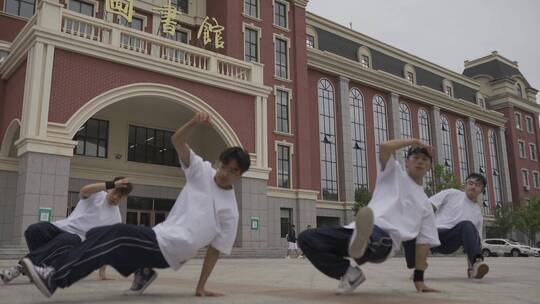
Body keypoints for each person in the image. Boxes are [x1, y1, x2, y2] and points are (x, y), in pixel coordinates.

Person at [21, 112, 251, 299]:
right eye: (224, 167)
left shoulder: (230, 211)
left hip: (174, 248)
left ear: (239, 175)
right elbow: (177, 140)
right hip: (159, 235)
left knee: (117, 234)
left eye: (232, 171)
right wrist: (194, 122)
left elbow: (215, 251)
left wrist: (201, 286)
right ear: (219, 163)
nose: (224, 174)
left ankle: (54, 277)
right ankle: (143, 271)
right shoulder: (201, 171)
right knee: (100, 235)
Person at [298, 139, 440, 294]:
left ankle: (362, 244)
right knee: (307, 238)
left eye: (424, 160)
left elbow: (423, 244)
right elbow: (385, 147)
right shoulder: (393, 173)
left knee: (374, 235)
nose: (419, 162)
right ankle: (350, 274)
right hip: (354, 230)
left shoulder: (426, 205)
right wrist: (414, 141)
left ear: (429, 167)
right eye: (415, 158)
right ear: (406, 162)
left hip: (385, 241)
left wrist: (419, 280)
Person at [0, 177, 131, 284]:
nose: (115, 198)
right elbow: (85, 190)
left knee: (66, 239)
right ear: (110, 189)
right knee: (34, 230)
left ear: (123, 199)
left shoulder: (115, 219)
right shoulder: (97, 195)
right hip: (62, 226)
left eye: (119, 197)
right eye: (115, 193)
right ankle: (39, 270)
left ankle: (19, 268)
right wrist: (113, 183)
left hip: (77, 239)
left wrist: (102, 273)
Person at [403, 173, 489, 279]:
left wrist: (471, 269)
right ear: (465, 185)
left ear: (482, 190)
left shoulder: (478, 215)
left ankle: (476, 265)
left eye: (477, 185)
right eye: (470, 183)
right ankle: (417, 266)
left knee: (467, 225)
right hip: (434, 234)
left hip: (451, 241)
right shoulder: (451, 193)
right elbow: (427, 207)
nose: (473, 186)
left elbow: (475, 244)